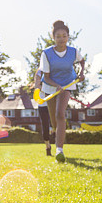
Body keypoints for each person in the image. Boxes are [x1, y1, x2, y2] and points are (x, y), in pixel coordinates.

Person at [39, 20, 85, 163]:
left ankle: (60, 149)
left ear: (68, 37)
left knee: (60, 114)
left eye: (64, 36)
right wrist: (56, 85)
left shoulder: (73, 51)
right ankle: (56, 134)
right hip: (50, 86)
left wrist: (81, 72)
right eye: (58, 36)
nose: (61, 39)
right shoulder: (46, 53)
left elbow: (82, 61)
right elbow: (46, 76)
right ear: (53, 37)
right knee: (54, 119)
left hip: (67, 84)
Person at [33, 69, 54, 156]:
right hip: (42, 105)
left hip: (52, 103)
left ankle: (59, 148)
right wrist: (45, 88)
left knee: (56, 124)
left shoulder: (53, 70)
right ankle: (48, 146)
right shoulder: (39, 72)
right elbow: (37, 86)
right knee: (45, 126)